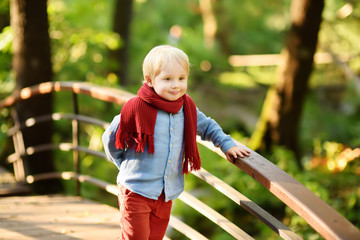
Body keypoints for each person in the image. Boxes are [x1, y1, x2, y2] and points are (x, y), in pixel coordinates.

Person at [102, 45, 250, 240]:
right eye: (167, 79)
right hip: (136, 191)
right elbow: (110, 139)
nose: (176, 85)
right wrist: (124, 166)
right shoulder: (136, 109)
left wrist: (227, 144)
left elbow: (208, 127)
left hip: (166, 194)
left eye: (181, 78)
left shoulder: (186, 108)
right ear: (149, 80)